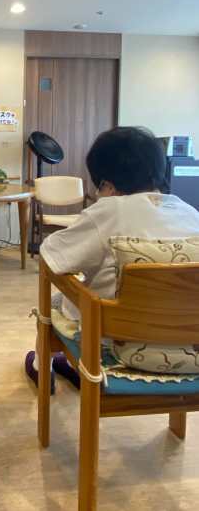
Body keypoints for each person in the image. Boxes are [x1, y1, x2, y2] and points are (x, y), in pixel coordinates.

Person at [25, 126, 199, 393]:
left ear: (109, 185)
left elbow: (51, 256)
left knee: (55, 302)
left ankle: (41, 367)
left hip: (119, 342)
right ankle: (68, 365)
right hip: (190, 345)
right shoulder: (190, 212)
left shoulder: (110, 209)